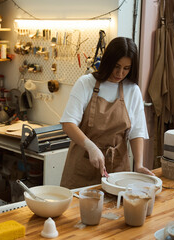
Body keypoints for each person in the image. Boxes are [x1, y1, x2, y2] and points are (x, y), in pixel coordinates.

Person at [60, 37, 154, 189]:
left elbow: (137, 132)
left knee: (115, 210)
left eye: (126, 68)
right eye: (116, 66)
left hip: (117, 169)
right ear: (107, 61)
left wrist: (139, 165)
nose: (120, 73)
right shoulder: (86, 83)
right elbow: (68, 124)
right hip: (82, 166)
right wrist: (91, 147)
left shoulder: (132, 90)